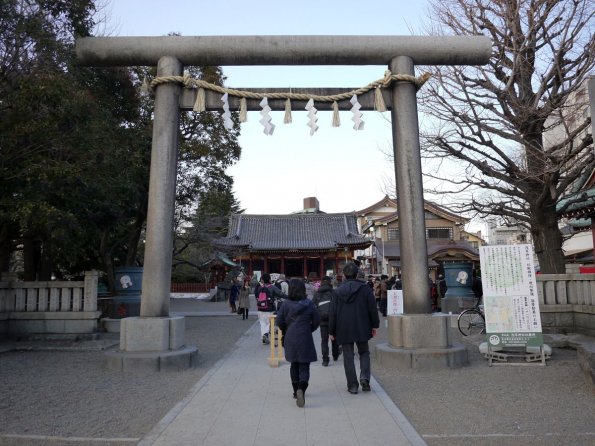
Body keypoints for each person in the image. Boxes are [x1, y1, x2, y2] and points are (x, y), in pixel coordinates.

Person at [329, 262, 380, 395]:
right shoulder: (365, 289)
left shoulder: (337, 292)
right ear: (357, 274)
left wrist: (331, 331)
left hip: (343, 327)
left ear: (344, 275)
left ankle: (352, 385)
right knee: (364, 352)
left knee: (348, 356)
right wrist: (375, 325)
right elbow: (372, 309)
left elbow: (332, 313)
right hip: (362, 325)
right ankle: (364, 377)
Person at [276, 278, 320, 408]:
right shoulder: (309, 304)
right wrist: (309, 328)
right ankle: (302, 388)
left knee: (293, 364)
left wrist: (286, 329)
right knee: (304, 365)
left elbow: (279, 321)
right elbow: (317, 320)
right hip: (304, 335)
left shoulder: (286, 304)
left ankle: (295, 391)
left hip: (290, 336)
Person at [312, 276, 340, 366]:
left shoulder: (317, 294)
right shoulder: (333, 292)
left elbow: (313, 307)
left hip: (322, 320)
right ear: (329, 282)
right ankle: (335, 354)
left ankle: (325, 359)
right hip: (333, 319)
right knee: (334, 338)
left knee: (324, 340)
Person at [254, 273, 286, 344]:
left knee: (262, 324)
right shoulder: (272, 287)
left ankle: (263, 338)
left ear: (262, 280)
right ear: (269, 279)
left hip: (260, 308)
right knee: (269, 323)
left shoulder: (260, 287)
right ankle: (265, 334)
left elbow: (256, 296)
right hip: (269, 308)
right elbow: (280, 294)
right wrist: (289, 297)